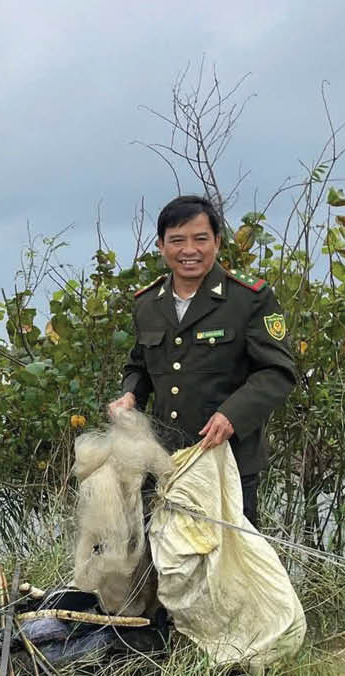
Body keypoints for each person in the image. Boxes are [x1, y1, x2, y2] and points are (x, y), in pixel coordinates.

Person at [108, 194, 297, 526]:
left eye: (200, 239)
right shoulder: (148, 303)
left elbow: (277, 372)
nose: (189, 250)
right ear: (161, 246)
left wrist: (232, 415)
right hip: (165, 462)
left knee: (228, 568)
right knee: (165, 565)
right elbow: (139, 366)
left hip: (229, 462)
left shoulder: (248, 299)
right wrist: (130, 395)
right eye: (177, 241)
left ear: (217, 242)